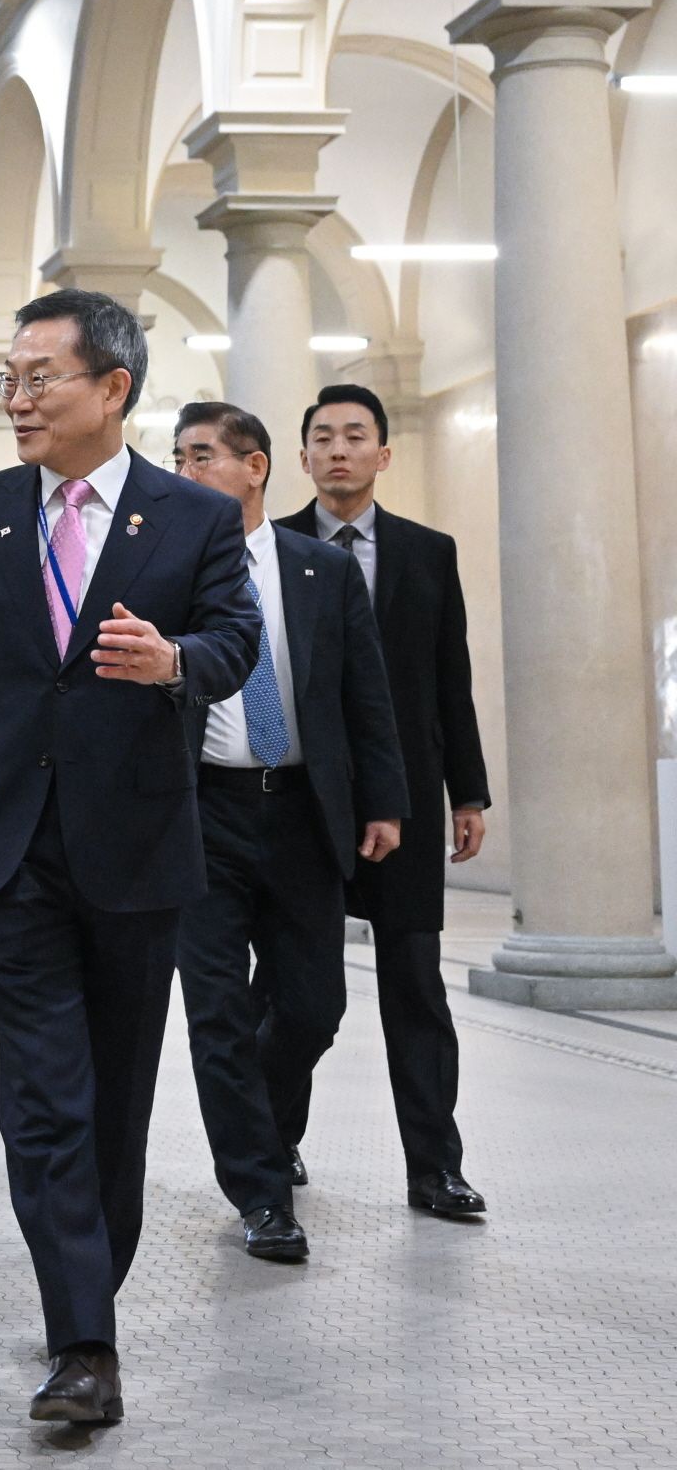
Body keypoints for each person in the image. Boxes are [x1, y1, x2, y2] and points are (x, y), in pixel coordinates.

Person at [0, 289, 258, 1427]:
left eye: (41, 376)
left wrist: (173, 660)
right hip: (4, 846)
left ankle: (85, 1286)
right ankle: (86, 1338)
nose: (18, 398)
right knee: (44, 1094)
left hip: (137, 845)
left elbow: (235, 643)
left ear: (114, 389)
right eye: (9, 378)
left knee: (115, 1097)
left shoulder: (189, 517)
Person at [168, 402, 406, 1264]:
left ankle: (263, 1129)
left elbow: (363, 696)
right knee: (217, 1013)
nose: (184, 473)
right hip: (201, 814)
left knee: (315, 1004)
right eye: (178, 457)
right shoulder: (166, 572)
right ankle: (261, 1192)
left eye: (201, 457)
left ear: (255, 466)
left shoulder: (318, 571)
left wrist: (383, 801)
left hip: (304, 811)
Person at [277, 383, 493, 1219]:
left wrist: (466, 790)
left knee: (415, 985)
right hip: (300, 802)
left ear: (383, 453)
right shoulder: (270, 545)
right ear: (302, 458)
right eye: (323, 436)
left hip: (403, 798)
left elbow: (451, 681)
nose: (338, 449)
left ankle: (434, 1167)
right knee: (295, 992)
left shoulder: (426, 552)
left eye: (355, 435)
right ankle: (273, 1139)